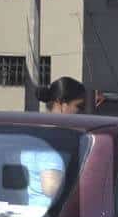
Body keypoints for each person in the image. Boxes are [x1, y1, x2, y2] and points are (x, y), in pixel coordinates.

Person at [24, 77, 87, 208]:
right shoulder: (53, 140)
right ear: (61, 103)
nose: (82, 112)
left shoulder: (37, 132)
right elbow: (51, 188)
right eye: (79, 106)